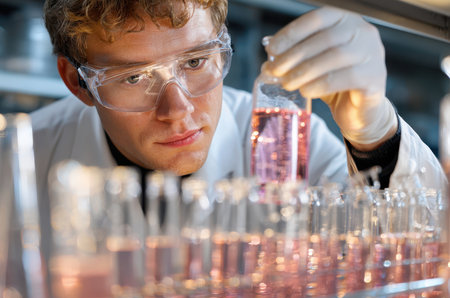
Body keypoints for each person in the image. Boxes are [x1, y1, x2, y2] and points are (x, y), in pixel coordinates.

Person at [33, 0, 445, 202]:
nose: (177, 110)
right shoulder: (21, 164)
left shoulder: (283, 141)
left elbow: (423, 244)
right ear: (77, 82)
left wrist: (376, 137)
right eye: (134, 77)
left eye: (195, 61)